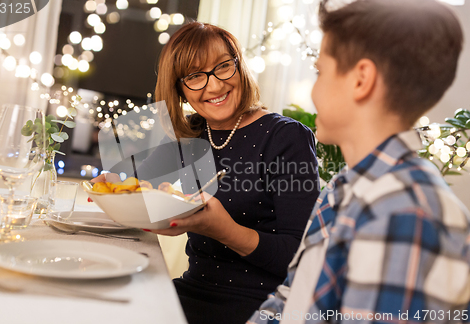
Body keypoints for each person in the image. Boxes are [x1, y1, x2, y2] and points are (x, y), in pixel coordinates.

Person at [248, 0, 470, 323]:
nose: (313, 91)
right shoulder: (343, 186)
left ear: (361, 79)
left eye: (320, 72)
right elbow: (291, 299)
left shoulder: (404, 214)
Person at [93, 22, 320, 324]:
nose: (214, 86)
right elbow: (137, 190)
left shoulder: (286, 137)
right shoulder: (191, 135)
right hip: (192, 291)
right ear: (180, 89)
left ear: (239, 67)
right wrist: (112, 190)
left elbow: (305, 260)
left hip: (263, 306)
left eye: (223, 67)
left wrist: (223, 229)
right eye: (195, 76)